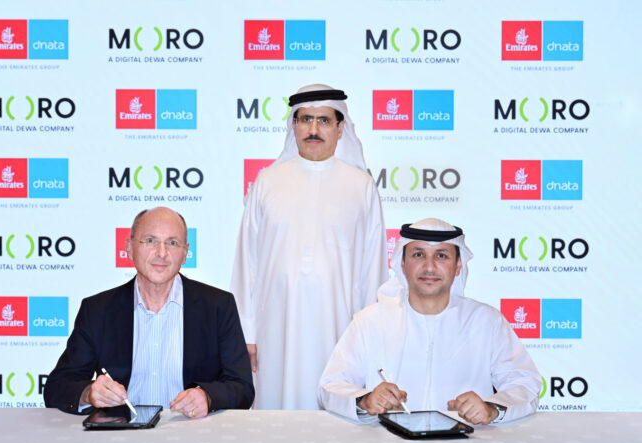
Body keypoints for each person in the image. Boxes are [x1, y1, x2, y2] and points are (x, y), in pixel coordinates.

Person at [231, 84, 387, 410]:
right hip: (276, 327)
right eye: (305, 120)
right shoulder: (267, 182)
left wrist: (371, 334)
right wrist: (247, 332)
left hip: (339, 327)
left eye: (324, 120)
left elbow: (372, 268)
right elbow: (248, 263)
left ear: (340, 128)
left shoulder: (361, 186)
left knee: (337, 410)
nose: (314, 129)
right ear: (294, 125)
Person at [319, 218, 541, 425]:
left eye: (441, 256)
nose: (429, 267)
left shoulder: (486, 321)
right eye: (418, 255)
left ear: (458, 265)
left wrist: (492, 409)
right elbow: (331, 386)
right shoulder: (370, 321)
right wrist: (364, 400)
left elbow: (525, 384)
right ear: (403, 263)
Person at [44, 207, 254, 417]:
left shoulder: (218, 306)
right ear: (129, 248)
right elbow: (57, 387)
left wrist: (207, 397)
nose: (161, 253)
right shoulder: (98, 310)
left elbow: (242, 387)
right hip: (120, 431)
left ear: (185, 253)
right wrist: (89, 393)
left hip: (191, 429)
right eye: (150, 240)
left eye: (172, 243)